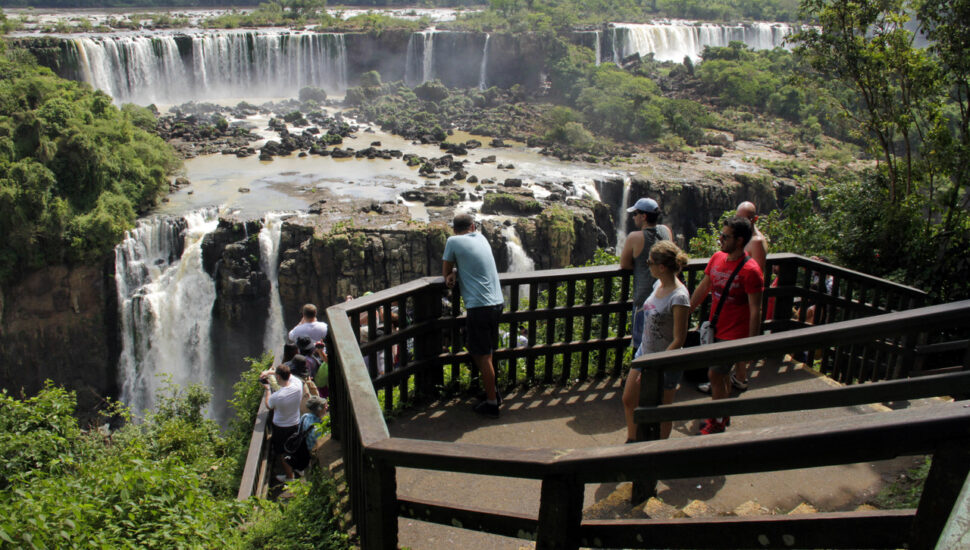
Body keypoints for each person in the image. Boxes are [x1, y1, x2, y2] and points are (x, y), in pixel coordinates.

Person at [689, 216, 764, 435]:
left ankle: (716, 420)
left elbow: (755, 309)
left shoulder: (751, 271)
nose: (720, 239)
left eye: (725, 236)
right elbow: (704, 288)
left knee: (714, 375)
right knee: (721, 376)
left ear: (739, 241)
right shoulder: (717, 258)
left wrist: (751, 343)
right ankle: (724, 411)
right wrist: (688, 311)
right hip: (716, 327)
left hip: (734, 334)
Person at [622, 241, 690, 443]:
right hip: (644, 354)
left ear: (661, 267)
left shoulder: (679, 297)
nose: (646, 265)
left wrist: (655, 366)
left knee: (663, 409)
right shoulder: (657, 284)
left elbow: (679, 339)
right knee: (629, 399)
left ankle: (659, 449)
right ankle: (633, 440)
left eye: (649, 262)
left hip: (665, 362)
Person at [442, 213, 505, 418]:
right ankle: (492, 391)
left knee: (483, 355)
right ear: (472, 226)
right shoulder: (482, 238)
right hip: (497, 303)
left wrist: (451, 274)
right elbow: (473, 261)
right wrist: (458, 272)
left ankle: (492, 402)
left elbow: (445, 272)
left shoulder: (453, 241)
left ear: (454, 229)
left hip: (480, 306)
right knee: (483, 351)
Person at [620, 197, 673, 353]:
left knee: (641, 345)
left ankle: (639, 375)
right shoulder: (666, 230)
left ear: (643, 216)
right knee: (663, 340)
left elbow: (625, 264)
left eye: (635, 213)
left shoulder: (634, 237)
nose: (633, 216)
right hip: (667, 296)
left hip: (644, 300)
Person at [732, 201, 768, 389]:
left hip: (746, 299)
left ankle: (740, 377)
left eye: (743, 217)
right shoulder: (741, 238)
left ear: (754, 219)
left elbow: (757, 275)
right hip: (733, 298)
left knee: (741, 338)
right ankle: (736, 376)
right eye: (737, 216)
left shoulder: (757, 242)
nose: (739, 220)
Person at [262, 363, 304, 482]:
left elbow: (268, 405)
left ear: (278, 377)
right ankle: (299, 469)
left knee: (283, 452)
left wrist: (267, 389)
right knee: (294, 447)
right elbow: (289, 376)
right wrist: (270, 373)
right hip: (295, 423)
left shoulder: (278, 396)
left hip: (281, 428)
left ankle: (290, 477)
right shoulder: (298, 384)